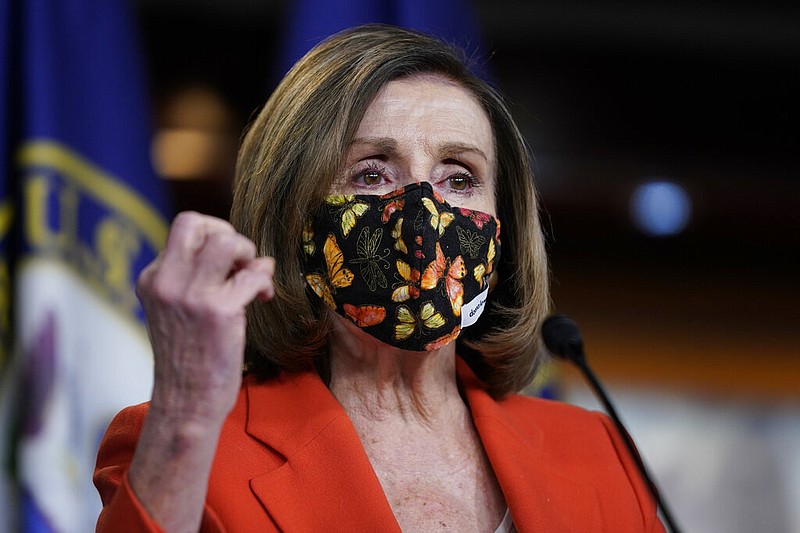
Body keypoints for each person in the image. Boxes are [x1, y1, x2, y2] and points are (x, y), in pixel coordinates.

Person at [93, 24, 665, 532]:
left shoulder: (597, 453)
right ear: (294, 216)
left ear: (504, 225)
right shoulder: (184, 447)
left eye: (459, 177)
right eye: (371, 173)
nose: (422, 213)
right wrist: (186, 418)